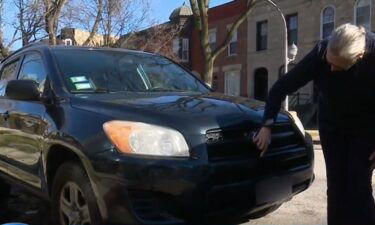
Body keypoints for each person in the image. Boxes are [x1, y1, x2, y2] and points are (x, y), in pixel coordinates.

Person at [254, 23, 375, 225]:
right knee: (336, 187)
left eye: (337, 67)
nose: (330, 68)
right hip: (332, 125)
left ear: (359, 57)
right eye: (329, 62)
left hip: (367, 126)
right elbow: (280, 88)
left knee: (359, 184)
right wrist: (267, 125)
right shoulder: (320, 54)